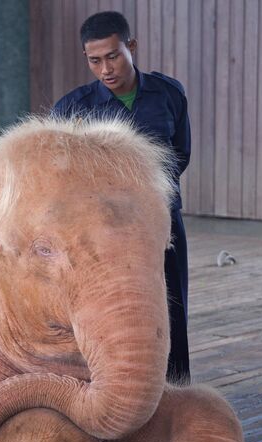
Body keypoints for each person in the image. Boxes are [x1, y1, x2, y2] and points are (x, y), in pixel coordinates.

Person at [52, 11, 191, 385]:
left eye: (113, 56)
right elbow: (64, 175)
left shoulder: (169, 94)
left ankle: (176, 392)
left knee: (170, 306)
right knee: (111, 310)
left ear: (131, 47)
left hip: (161, 223)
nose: (105, 69)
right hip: (103, 233)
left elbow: (180, 156)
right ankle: (113, 390)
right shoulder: (71, 109)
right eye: (94, 61)